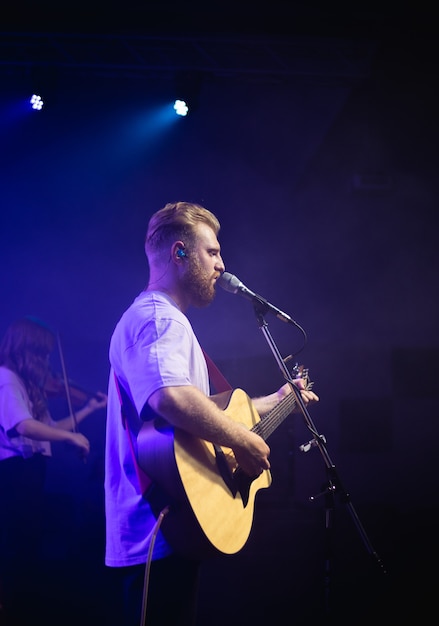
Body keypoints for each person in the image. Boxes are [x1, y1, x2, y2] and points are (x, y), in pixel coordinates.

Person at [104, 201, 319, 626]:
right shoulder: (157, 318)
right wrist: (244, 440)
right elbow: (169, 400)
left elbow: (197, 419)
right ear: (179, 252)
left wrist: (274, 402)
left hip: (175, 522)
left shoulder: (167, 321)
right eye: (213, 252)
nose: (222, 265)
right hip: (156, 527)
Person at [0, 316, 107, 625]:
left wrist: (87, 409)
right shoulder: (6, 377)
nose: (46, 360)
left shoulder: (28, 384)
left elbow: (49, 427)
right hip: (13, 473)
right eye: (41, 353)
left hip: (31, 471)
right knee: (16, 547)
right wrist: (71, 438)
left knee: (27, 545)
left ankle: (23, 607)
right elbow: (22, 425)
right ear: (26, 350)